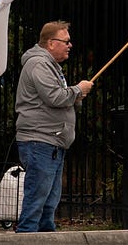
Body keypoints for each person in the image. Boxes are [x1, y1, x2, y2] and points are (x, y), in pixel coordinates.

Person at [14, 20, 93, 233]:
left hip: (52, 141)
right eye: (65, 41)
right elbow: (54, 97)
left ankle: (45, 234)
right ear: (51, 43)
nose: (70, 45)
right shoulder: (39, 64)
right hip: (40, 140)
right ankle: (27, 234)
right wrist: (78, 90)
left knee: (49, 196)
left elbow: (56, 97)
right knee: (39, 193)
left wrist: (75, 95)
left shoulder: (50, 66)